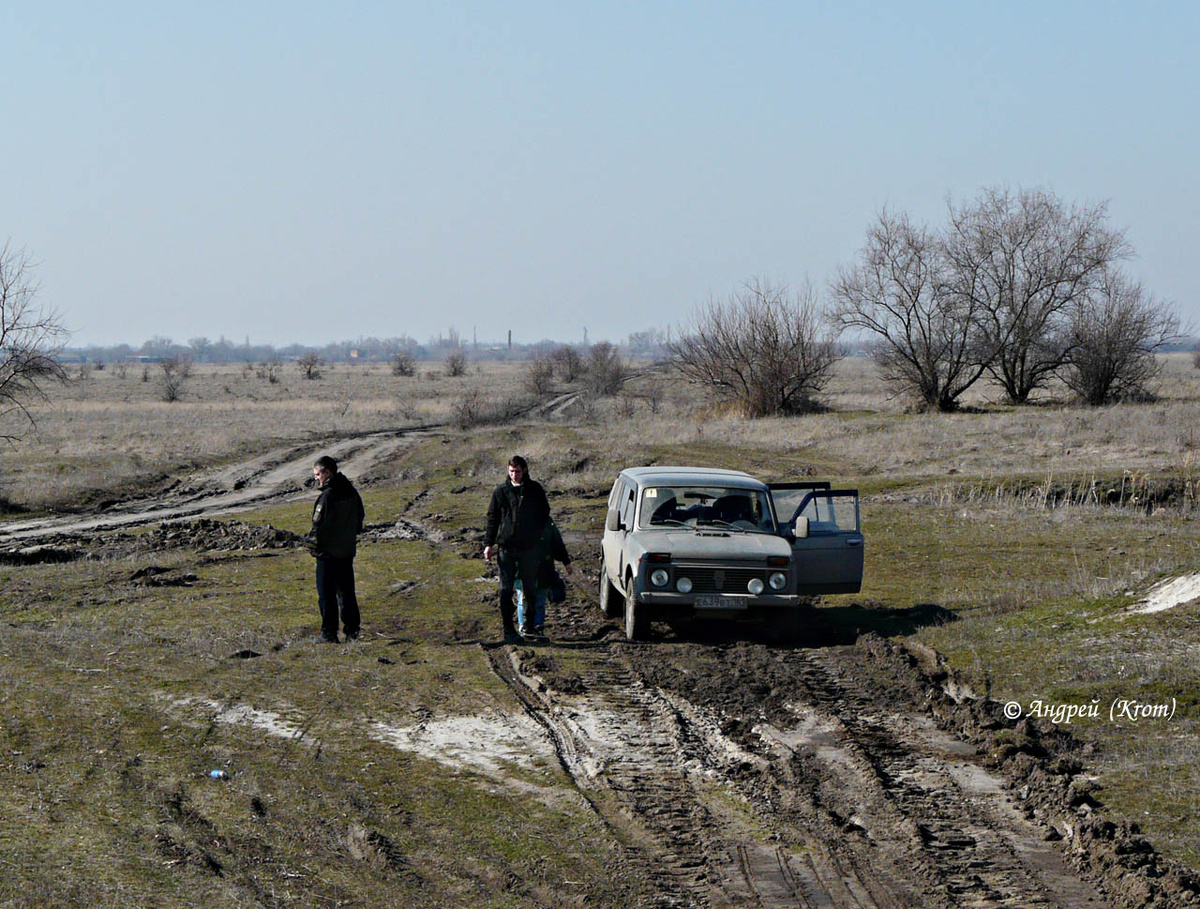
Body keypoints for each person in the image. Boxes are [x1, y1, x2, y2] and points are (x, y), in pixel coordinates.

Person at [483, 455, 552, 642]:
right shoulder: (500, 492)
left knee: (530, 589)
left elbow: (544, 514)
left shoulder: (535, 490)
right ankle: (508, 629)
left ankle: (529, 627)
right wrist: (488, 544)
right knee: (506, 590)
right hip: (506, 547)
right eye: (512, 471)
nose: (515, 475)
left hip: (529, 548)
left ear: (525, 470)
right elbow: (493, 518)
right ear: (508, 471)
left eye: (518, 471)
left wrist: (536, 535)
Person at [305, 455, 365, 643]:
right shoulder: (351, 492)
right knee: (347, 594)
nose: (316, 478)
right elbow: (359, 519)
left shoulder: (327, 496)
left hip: (327, 555)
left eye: (317, 474)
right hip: (346, 552)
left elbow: (317, 529)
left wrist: (310, 544)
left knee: (326, 595)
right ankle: (352, 632)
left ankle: (329, 634)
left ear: (326, 472)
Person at [515, 517, 572, 640]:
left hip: (543, 568)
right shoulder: (517, 520)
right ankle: (524, 626)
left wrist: (566, 561)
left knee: (540, 599)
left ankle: (537, 626)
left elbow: (557, 541)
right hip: (524, 568)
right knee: (524, 599)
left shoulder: (547, 522)